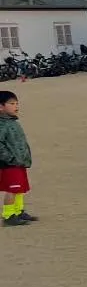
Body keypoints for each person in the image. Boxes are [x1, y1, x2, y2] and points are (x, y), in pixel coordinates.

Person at [0, 90, 36, 226]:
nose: (16, 106)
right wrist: (9, 158)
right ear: (1, 107)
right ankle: (8, 215)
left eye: (17, 103)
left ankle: (18, 211)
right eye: (12, 103)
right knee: (12, 189)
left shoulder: (13, 122)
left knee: (20, 188)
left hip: (19, 162)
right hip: (9, 163)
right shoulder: (2, 124)